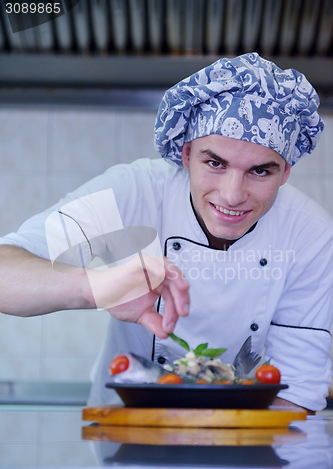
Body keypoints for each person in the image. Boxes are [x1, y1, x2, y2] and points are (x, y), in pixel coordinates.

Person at [0, 53, 332, 413]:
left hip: (243, 435)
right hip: (126, 432)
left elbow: (296, 390)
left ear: (285, 173)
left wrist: (245, 459)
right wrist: (93, 287)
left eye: (261, 172)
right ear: (186, 154)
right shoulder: (135, 191)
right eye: (215, 163)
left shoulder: (309, 235)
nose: (233, 195)